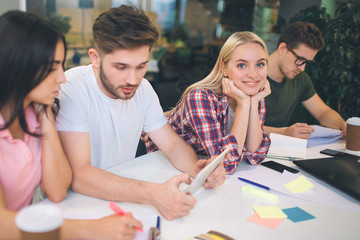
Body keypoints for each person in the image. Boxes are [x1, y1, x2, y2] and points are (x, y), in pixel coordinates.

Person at [56, 5, 226, 221]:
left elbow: (172, 145)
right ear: (95, 58)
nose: (133, 79)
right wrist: (154, 194)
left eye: (141, 66)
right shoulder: (72, 89)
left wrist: (199, 171)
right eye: (121, 67)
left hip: (120, 197)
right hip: (77, 207)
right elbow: (79, 175)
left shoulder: (143, 89)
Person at [0, 11, 142, 240]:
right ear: (18, 67)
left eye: (61, 66)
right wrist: (95, 229)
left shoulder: (34, 115)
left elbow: (56, 191)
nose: (62, 78)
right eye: (51, 68)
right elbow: (2, 225)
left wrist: (46, 117)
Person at [143, 31, 271, 175]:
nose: (253, 74)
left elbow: (255, 156)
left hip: (198, 166)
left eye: (260, 64)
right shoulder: (201, 97)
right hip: (160, 164)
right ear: (224, 69)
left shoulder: (253, 96)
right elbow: (225, 165)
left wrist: (251, 104)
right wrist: (243, 105)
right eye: (242, 65)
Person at [264, 22, 347, 139]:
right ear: (282, 48)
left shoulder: (300, 79)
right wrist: (284, 133)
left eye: (306, 62)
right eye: (300, 59)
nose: (302, 68)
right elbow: (236, 126)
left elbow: (323, 112)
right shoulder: (250, 78)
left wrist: (342, 125)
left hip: (280, 150)